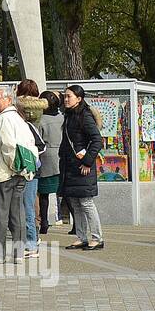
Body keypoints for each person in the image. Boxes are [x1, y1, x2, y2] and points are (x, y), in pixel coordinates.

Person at [0, 85, 39, 262]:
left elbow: (8, 147)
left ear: (8, 99)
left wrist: (14, 166)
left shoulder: (5, 119)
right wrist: (23, 169)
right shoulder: (19, 118)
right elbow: (31, 144)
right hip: (20, 174)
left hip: (5, 174)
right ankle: (19, 254)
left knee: (0, 215)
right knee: (18, 215)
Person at [60, 84, 104, 250]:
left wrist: (87, 161)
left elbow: (97, 140)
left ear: (79, 99)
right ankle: (81, 237)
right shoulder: (69, 115)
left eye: (68, 96)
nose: (65, 99)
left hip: (82, 166)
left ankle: (97, 237)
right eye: (65, 96)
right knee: (76, 203)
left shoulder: (84, 116)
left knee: (86, 203)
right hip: (71, 167)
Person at [14, 79, 47, 257]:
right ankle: (31, 239)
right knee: (31, 205)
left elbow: (40, 145)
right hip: (33, 168)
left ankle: (31, 243)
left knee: (27, 206)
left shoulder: (26, 122)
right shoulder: (40, 111)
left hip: (28, 169)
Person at [37, 90, 63, 233]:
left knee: (44, 193)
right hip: (61, 157)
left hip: (46, 158)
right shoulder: (62, 118)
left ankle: (44, 222)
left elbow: (38, 141)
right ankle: (76, 224)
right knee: (65, 192)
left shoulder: (41, 121)